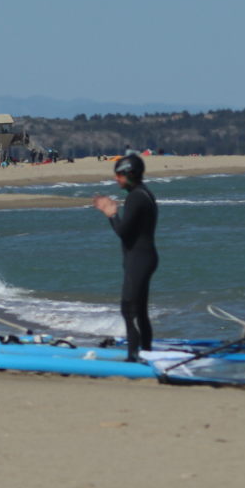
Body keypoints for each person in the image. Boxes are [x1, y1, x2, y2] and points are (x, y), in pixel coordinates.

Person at [93, 153, 158, 361]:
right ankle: (146, 351)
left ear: (130, 174)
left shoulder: (135, 197)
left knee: (129, 309)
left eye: (119, 175)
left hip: (139, 259)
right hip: (144, 257)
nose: (116, 179)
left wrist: (111, 213)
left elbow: (123, 231)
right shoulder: (144, 193)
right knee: (139, 310)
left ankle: (134, 357)